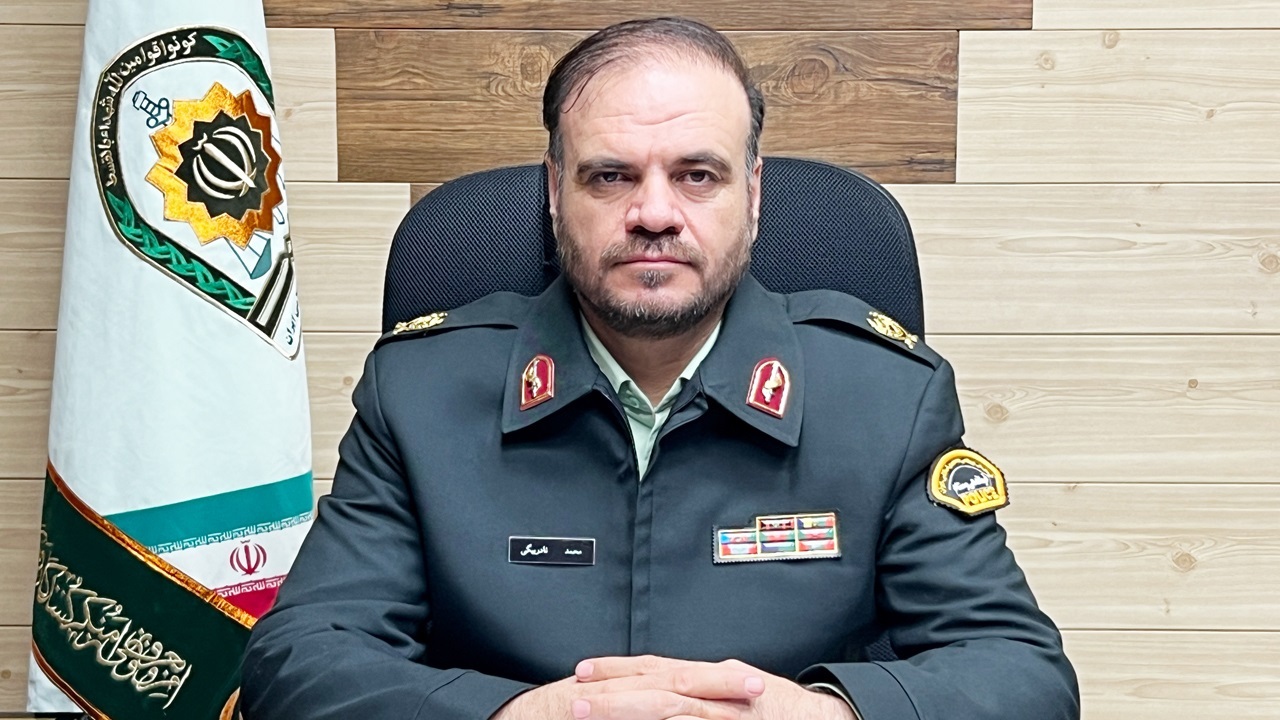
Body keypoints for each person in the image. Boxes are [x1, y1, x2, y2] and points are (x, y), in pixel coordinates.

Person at [241, 17, 1079, 720]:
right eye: (610, 176)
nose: (653, 213)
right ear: (554, 193)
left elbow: (1021, 674)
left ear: (753, 194)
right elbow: (298, 662)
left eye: (697, 175)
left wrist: (825, 714)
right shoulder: (421, 391)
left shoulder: (886, 396)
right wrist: (516, 715)